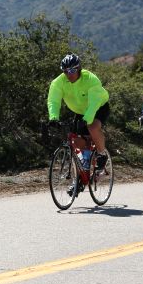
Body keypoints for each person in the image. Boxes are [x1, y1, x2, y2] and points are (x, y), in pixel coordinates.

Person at [47, 53, 111, 190]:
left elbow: (94, 103)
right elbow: (53, 100)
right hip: (81, 111)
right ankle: (81, 177)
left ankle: (101, 154)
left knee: (92, 127)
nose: (69, 74)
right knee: (77, 142)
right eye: (65, 71)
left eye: (72, 70)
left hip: (99, 106)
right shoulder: (58, 82)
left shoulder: (91, 79)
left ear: (79, 69)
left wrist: (87, 119)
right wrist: (53, 117)